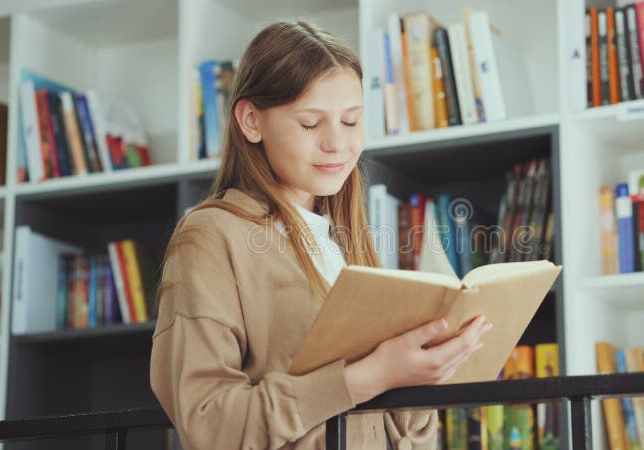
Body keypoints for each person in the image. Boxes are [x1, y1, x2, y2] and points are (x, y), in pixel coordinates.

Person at [149, 20, 491, 450]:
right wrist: (372, 376)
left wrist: (424, 376)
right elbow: (208, 424)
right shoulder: (211, 237)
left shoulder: (346, 241)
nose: (337, 144)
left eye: (351, 121)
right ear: (251, 120)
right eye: (311, 123)